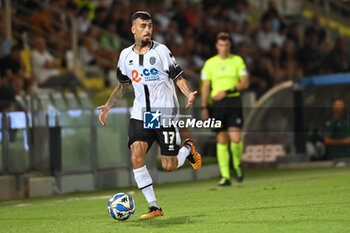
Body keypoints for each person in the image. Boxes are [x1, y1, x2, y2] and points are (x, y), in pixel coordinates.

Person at [97, 11, 201, 219]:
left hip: (165, 114)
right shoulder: (125, 56)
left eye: (150, 26)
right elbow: (123, 85)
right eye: (143, 26)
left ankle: (188, 149)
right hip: (141, 114)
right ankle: (154, 207)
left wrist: (189, 93)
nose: (147, 30)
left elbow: (178, 78)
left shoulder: (161, 51)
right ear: (133, 29)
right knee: (136, 157)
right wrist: (109, 105)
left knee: (168, 165)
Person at [201, 32, 249, 186]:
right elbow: (205, 86)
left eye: (226, 45)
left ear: (230, 46)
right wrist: (204, 107)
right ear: (217, 45)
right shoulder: (209, 63)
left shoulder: (237, 61)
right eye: (221, 45)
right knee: (221, 138)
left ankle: (237, 164)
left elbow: (245, 83)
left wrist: (227, 91)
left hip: (233, 101)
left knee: (235, 138)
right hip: (217, 105)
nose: (223, 48)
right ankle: (225, 176)